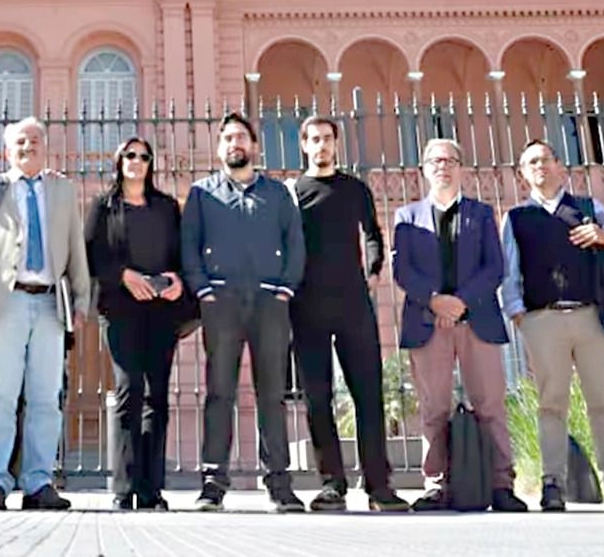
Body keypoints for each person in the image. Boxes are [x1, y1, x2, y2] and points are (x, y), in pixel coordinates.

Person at [0, 117, 91, 511]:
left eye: (34, 141)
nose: (27, 147)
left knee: (46, 397)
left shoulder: (63, 189)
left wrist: (81, 301)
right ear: (6, 150)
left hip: (50, 304)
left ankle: (39, 482)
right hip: (4, 303)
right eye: (19, 142)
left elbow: (75, 248)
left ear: (45, 147)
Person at [498, 139, 604, 512]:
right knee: (551, 404)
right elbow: (509, 271)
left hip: (591, 315)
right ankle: (552, 483)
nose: (539, 166)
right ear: (522, 174)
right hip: (542, 319)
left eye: (544, 159)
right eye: (530, 163)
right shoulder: (515, 219)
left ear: (560, 166)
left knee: (603, 403)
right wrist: (519, 315)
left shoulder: (588, 208)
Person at [181, 113, 306, 513]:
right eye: (228, 138)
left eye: (242, 137)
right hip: (221, 303)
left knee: (272, 395)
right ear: (219, 149)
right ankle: (213, 483)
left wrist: (285, 288)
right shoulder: (202, 193)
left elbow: (295, 242)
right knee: (219, 392)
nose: (235, 143)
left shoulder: (277, 193)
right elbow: (190, 245)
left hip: (270, 302)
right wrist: (203, 288)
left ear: (255, 146)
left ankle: (280, 484)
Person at [393, 138, 526, 513]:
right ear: (423, 169)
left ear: (461, 168)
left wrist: (460, 302)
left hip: (476, 320)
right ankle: (437, 485)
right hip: (426, 322)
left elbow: (494, 267)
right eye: (434, 161)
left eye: (450, 160)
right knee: (433, 407)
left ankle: (502, 484)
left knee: (490, 405)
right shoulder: (407, 216)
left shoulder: (482, 214)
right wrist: (436, 300)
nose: (443, 167)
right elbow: (403, 269)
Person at [289, 116, 409, 512]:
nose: (321, 146)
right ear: (304, 145)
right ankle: (331, 484)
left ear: (335, 145)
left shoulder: (355, 188)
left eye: (327, 139)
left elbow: (373, 234)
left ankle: (379, 486)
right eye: (314, 140)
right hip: (307, 305)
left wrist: (374, 272)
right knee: (318, 397)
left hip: (354, 302)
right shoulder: (295, 192)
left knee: (368, 394)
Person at [85, 136, 187, 512]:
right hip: (122, 310)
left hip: (162, 311)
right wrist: (124, 275)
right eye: (130, 155)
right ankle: (123, 487)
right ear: (119, 161)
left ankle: (151, 489)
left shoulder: (165, 207)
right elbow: (92, 255)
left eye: (144, 156)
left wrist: (177, 281)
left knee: (157, 395)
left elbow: (180, 255)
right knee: (129, 391)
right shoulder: (103, 206)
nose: (137, 161)